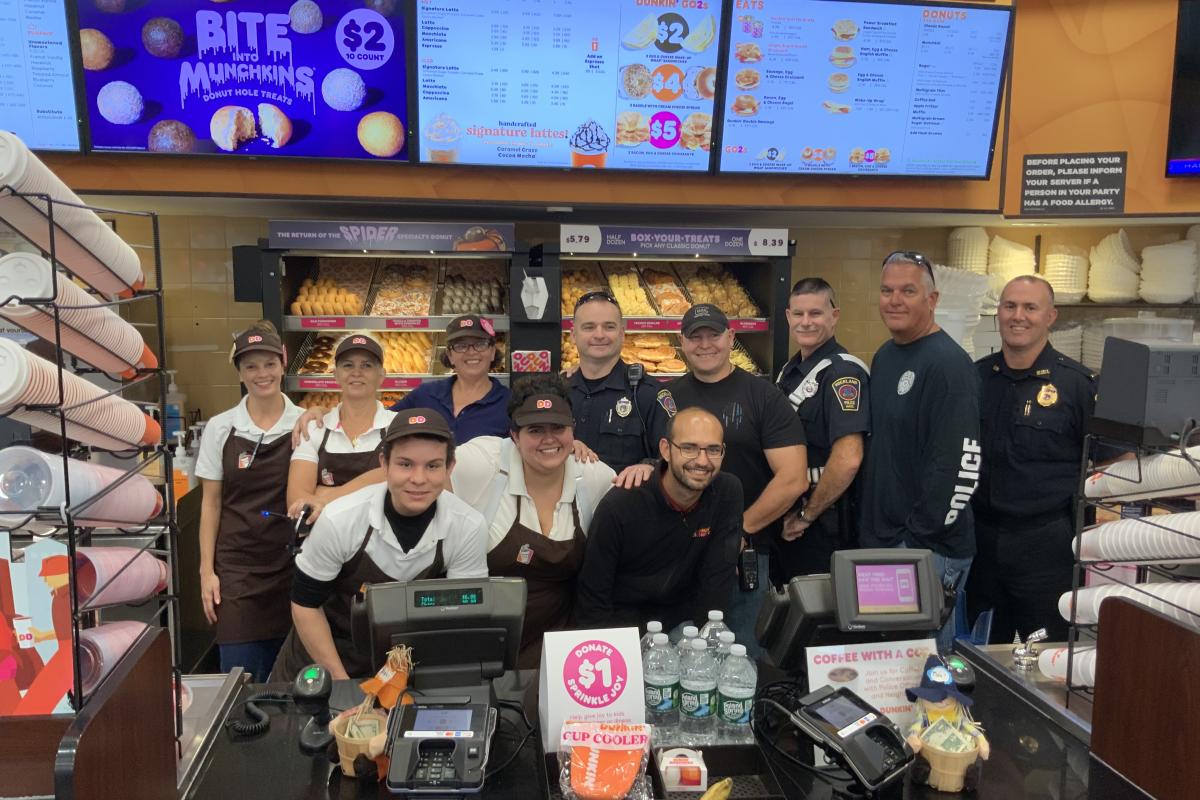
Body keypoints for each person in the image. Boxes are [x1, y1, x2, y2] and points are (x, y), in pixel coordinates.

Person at [273, 409, 488, 681]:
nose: (418, 479)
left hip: (408, 668)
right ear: (384, 464)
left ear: (450, 467)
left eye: (433, 466)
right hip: (323, 662)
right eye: (405, 464)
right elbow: (305, 605)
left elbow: (462, 617)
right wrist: (342, 685)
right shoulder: (340, 519)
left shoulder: (467, 527)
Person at [667, 303, 809, 656]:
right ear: (681, 343)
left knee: (741, 660)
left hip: (744, 557)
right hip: (677, 554)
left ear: (731, 338)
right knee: (676, 657)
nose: (704, 344)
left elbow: (793, 478)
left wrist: (738, 531)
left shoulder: (763, 397)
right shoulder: (666, 397)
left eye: (713, 335)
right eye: (695, 337)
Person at [858, 251, 980, 654]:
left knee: (922, 669)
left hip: (926, 550)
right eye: (887, 291)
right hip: (885, 541)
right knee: (887, 664)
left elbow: (959, 465)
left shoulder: (949, 365)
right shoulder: (886, 356)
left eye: (908, 291)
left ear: (932, 299)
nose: (895, 300)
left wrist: (918, 540)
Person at [450, 373, 615, 667]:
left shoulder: (594, 476)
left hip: (557, 647)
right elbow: (412, 467)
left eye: (558, 428)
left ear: (573, 430)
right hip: (481, 641)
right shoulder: (482, 464)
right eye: (535, 430)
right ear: (514, 435)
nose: (549, 439)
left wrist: (646, 469)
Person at [967, 276, 1098, 644]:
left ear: (1050, 316)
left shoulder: (1077, 385)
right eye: (1009, 306)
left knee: (1047, 656)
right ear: (998, 313)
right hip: (982, 542)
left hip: (1046, 546)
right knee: (979, 651)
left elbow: (1111, 463)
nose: (1018, 316)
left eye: (1030, 307)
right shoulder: (976, 378)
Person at [195, 322, 304, 682]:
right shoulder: (221, 427)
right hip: (238, 572)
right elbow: (211, 504)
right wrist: (207, 571)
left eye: (269, 364)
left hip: (292, 567)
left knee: (294, 682)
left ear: (283, 363)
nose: (262, 374)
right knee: (240, 681)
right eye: (251, 366)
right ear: (240, 373)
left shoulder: (305, 424)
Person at [575, 407, 743, 630]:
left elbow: (717, 583)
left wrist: (707, 642)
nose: (702, 461)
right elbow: (592, 599)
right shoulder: (620, 506)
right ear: (666, 449)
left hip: (684, 626)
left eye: (713, 450)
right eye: (689, 448)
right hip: (623, 627)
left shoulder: (727, 492)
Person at [774, 278, 870, 581]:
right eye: (798, 314)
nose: (806, 322)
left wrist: (806, 516)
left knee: (817, 607)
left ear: (834, 316)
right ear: (788, 316)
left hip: (823, 525)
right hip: (792, 517)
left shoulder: (842, 373)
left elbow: (848, 459)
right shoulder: (790, 370)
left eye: (815, 313)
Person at [287, 334, 394, 522]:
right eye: (348, 365)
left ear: (381, 376)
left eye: (367, 365)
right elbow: (297, 501)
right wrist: (378, 483)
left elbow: (402, 478)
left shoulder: (397, 426)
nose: (356, 372)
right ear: (335, 375)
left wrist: (325, 496)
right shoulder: (314, 429)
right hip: (325, 538)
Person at [568, 291, 675, 474]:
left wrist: (651, 467)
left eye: (609, 327)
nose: (599, 335)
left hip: (626, 492)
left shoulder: (648, 394)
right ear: (573, 335)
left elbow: (675, 457)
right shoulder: (557, 391)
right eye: (589, 327)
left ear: (622, 334)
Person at [392, 315, 511, 442]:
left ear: (492, 352)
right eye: (461, 346)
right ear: (450, 355)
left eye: (480, 344)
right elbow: (383, 425)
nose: (471, 352)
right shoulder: (424, 394)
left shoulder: (510, 403)